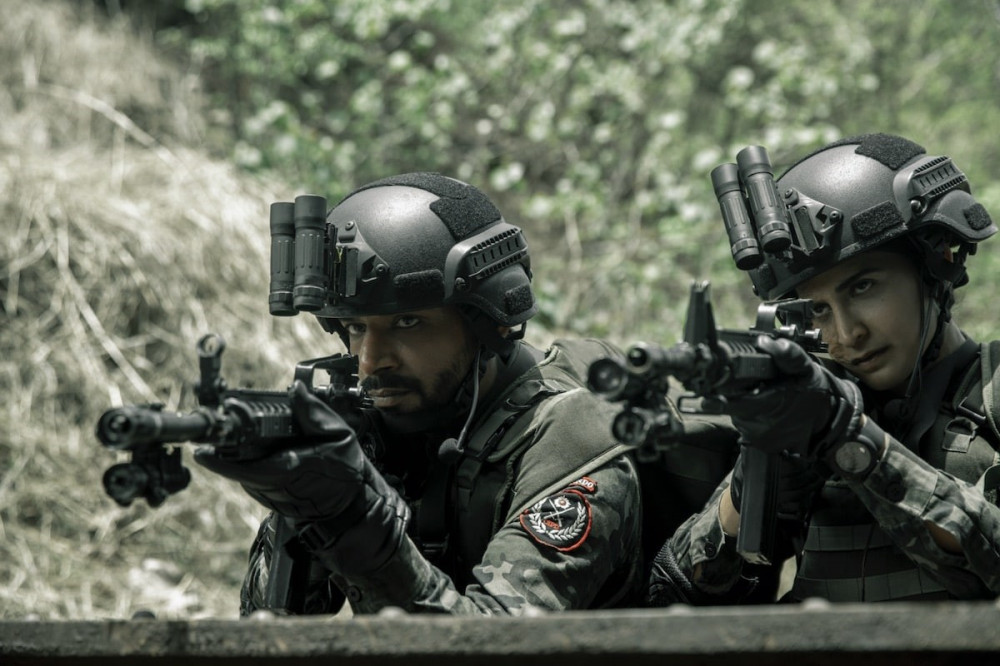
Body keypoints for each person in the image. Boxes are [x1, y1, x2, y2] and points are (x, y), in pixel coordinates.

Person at [196, 172, 645, 615]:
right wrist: (298, 507)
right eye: (355, 327)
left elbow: (496, 645)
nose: (371, 362)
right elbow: (273, 631)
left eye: (407, 323)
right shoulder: (372, 423)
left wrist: (354, 520)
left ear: (488, 322)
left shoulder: (569, 437)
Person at [648, 133, 1000, 605]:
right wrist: (757, 475)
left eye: (863, 287)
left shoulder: (991, 389)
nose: (846, 333)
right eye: (816, 309)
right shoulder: (813, 411)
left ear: (936, 262)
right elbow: (676, 592)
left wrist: (850, 441)